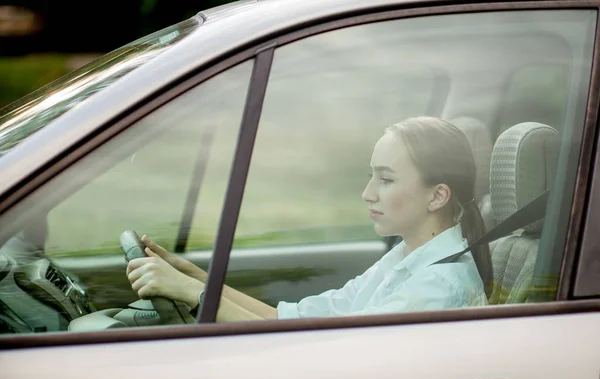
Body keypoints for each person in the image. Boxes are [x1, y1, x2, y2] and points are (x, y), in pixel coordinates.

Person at [125, 116, 491, 322]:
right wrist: (202, 280)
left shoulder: (438, 287)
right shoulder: (405, 258)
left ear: (437, 195)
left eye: (387, 179)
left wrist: (194, 294)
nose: (368, 193)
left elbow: (314, 348)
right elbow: (297, 320)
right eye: (371, 176)